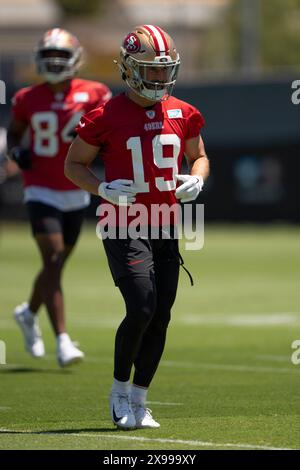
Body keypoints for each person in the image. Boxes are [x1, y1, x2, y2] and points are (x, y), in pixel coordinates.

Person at [65, 25, 209, 427]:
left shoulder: (183, 112)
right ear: (129, 69)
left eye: (165, 70)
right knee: (142, 306)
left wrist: (198, 178)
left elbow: (199, 156)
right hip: (122, 222)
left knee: (161, 315)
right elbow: (73, 164)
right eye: (151, 70)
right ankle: (118, 393)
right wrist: (103, 189)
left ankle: (140, 400)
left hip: (165, 223)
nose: (160, 78)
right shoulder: (104, 115)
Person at [7, 28, 112, 367]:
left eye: (61, 56)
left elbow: (108, 133)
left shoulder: (96, 93)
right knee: (53, 259)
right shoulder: (26, 98)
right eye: (49, 56)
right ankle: (63, 340)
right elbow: (16, 133)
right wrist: (15, 152)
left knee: (56, 264)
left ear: (75, 59)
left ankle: (28, 312)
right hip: (39, 186)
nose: (54, 62)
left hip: (76, 188)